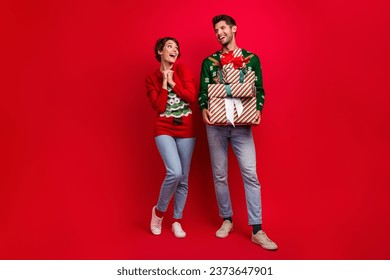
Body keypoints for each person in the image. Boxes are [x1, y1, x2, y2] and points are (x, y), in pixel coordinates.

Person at [198, 15, 278, 250]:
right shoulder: (209, 62)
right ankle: (227, 219)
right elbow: (204, 90)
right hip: (215, 126)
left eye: (223, 28)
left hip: (242, 126)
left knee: (250, 174)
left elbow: (259, 89)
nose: (219, 32)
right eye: (216, 29)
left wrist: (259, 110)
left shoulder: (251, 60)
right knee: (220, 174)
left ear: (234, 29)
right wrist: (203, 108)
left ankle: (257, 229)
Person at [145, 37, 196, 238]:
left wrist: (173, 81)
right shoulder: (151, 78)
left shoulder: (183, 71)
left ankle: (177, 220)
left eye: (176, 47)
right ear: (160, 51)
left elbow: (191, 98)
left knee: (183, 178)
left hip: (186, 129)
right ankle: (158, 213)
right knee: (174, 172)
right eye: (169, 46)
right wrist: (165, 83)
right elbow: (159, 106)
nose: (174, 49)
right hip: (164, 127)